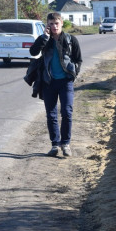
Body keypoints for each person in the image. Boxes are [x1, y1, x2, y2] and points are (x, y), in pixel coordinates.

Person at [29, 12, 82, 157]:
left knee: (66, 112)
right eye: (51, 24)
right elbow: (33, 51)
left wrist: (74, 73)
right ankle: (55, 145)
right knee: (51, 115)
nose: (54, 26)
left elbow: (78, 59)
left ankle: (66, 144)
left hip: (65, 82)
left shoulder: (71, 40)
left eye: (56, 23)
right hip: (48, 82)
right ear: (47, 25)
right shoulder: (45, 39)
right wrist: (44, 37)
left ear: (61, 23)